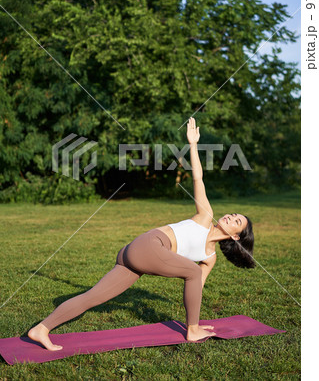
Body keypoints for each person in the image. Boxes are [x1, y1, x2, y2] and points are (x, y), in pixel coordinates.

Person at [28, 117, 255, 351]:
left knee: (93, 297)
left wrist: (194, 310)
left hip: (134, 258)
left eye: (236, 221)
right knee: (193, 272)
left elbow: (195, 288)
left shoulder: (209, 258)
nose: (230, 216)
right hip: (149, 245)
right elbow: (198, 177)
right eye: (234, 213)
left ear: (236, 236)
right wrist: (193, 144)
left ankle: (42, 328)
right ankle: (192, 331)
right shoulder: (206, 215)